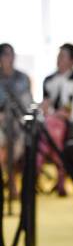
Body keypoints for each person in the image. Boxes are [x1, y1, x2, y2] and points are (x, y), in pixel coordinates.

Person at [40, 43, 73, 196]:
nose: (58, 59)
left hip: (70, 124)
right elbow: (46, 103)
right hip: (53, 122)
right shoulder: (49, 80)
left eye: (62, 56)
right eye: (58, 56)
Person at [0, 43, 33, 198]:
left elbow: (28, 104)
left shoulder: (23, 78)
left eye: (12, 54)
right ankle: (11, 182)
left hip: (19, 124)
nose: (10, 58)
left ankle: (12, 181)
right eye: (6, 54)